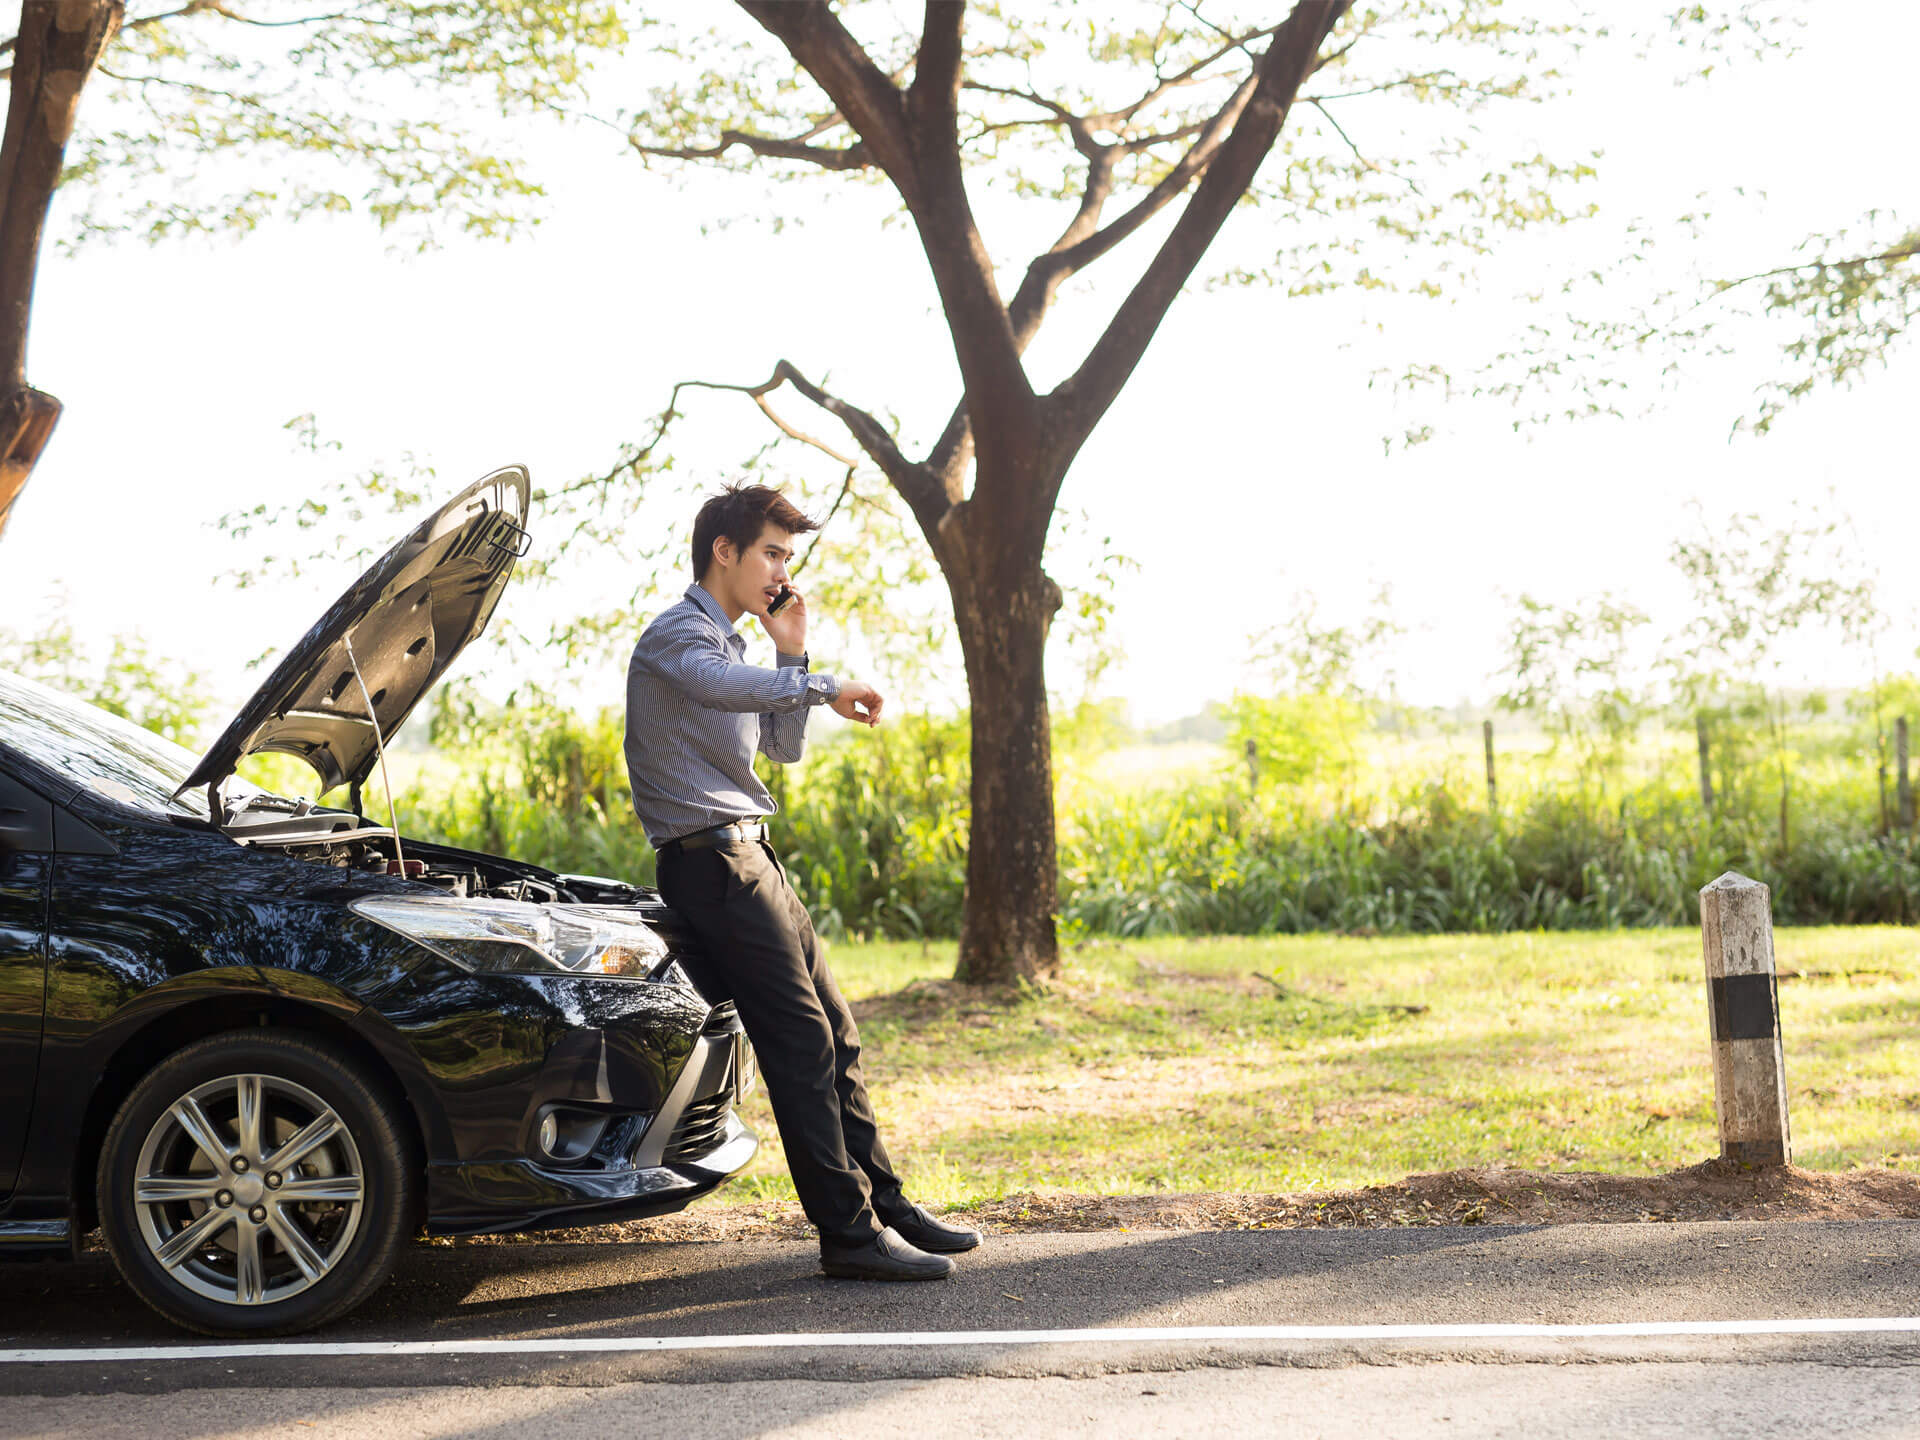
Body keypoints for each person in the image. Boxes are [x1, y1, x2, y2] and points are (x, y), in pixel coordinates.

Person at [624, 481, 981, 1281]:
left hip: (753, 857)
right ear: (726, 552)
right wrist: (822, 683)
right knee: (798, 1042)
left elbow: (778, 749)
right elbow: (723, 691)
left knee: (837, 1030)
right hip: (711, 864)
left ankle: (885, 1204)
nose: (784, 570)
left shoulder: (742, 649)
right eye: (773, 553)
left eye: (787, 556)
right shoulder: (677, 639)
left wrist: (793, 651)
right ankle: (847, 1237)